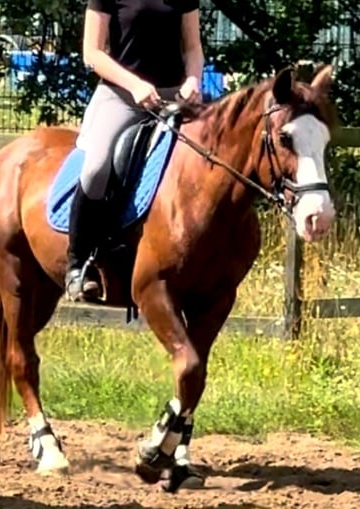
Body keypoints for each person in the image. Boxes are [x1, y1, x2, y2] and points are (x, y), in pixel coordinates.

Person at [65, 0, 205, 301]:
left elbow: (192, 48)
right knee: (96, 169)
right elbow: (92, 53)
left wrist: (193, 80)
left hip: (175, 99)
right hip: (121, 96)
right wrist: (135, 84)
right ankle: (78, 264)